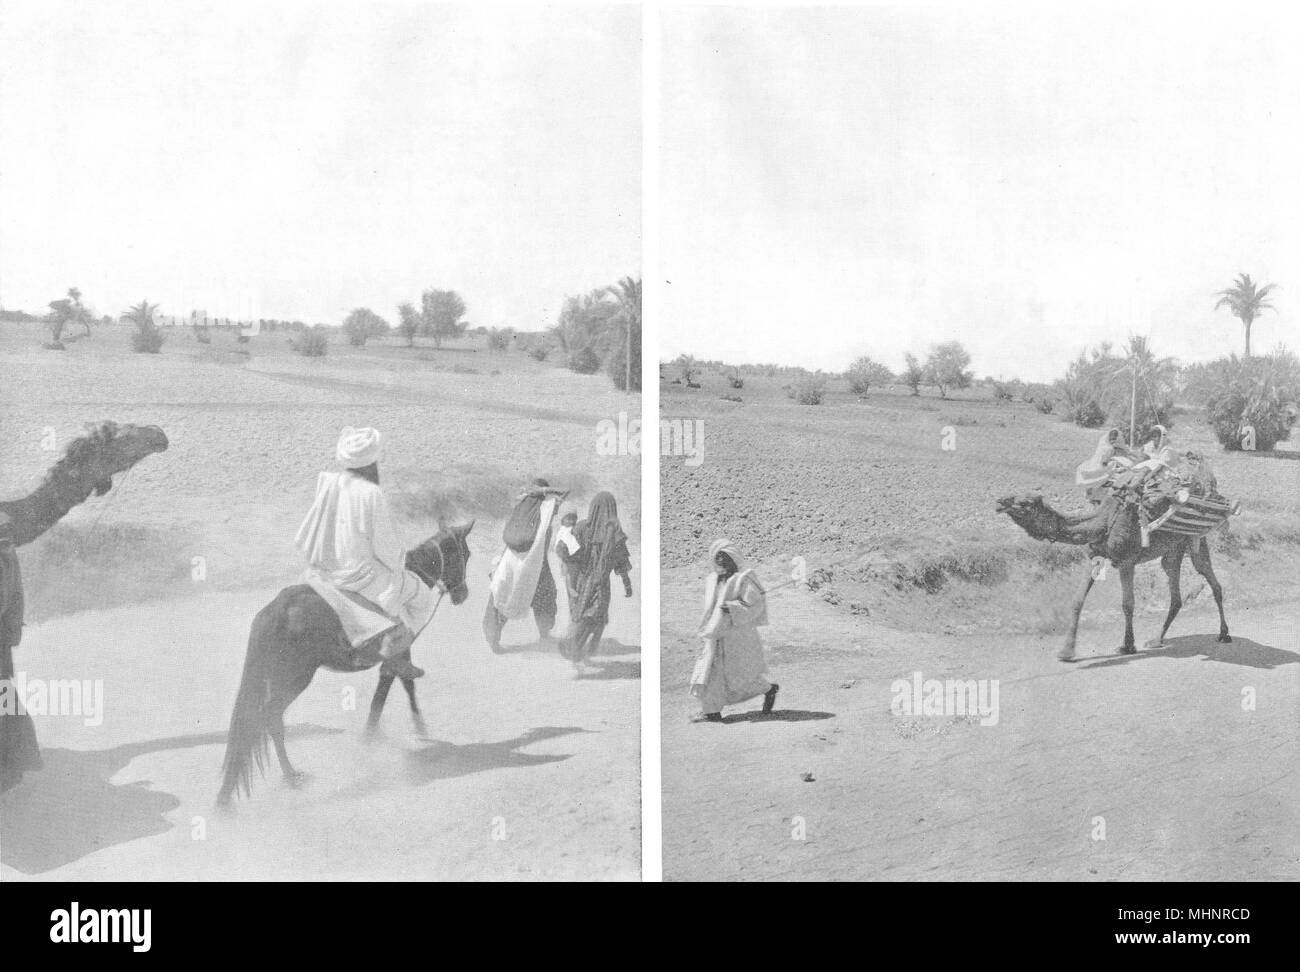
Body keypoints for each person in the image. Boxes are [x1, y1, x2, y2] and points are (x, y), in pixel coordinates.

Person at [294, 427, 432, 681]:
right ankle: (396, 659)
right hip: (359, 576)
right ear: (371, 463)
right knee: (421, 595)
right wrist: (400, 563)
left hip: (325, 569)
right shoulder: (371, 493)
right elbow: (386, 549)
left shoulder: (329, 482)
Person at [690, 539, 778, 723]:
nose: (720, 560)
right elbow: (710, 608)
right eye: (718, 556)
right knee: (711, 671)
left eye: (724, 557)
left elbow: (756, 606)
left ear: (733, 559)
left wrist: (733, 607)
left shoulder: (743, 579)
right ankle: (712, 712)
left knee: (739, 676)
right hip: (715, 634)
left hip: (736, 636)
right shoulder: (712, 580)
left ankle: (769, 689)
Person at [483, 478, 564, 652]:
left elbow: (507, 541)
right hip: (534, 564)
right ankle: (544, 632)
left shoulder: (521, 511)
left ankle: (493, 638)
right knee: (544, 596)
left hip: (511, 562)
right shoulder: (542, 515)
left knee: (503, 596)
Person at [559, 492, 632, 667]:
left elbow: (565, 549)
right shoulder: (614, 532)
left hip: (582, 581)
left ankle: (581, 649)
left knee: (584, 614)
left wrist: (570, 581)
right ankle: (577, 647)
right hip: (601, 584)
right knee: (595, 615)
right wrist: (627, 584)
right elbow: (622, 561)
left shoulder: (582, 527)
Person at [554, 506, 582, 619]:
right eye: (568, 518)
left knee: (575, 584)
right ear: (562, 519)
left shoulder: (574, 530)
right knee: (571, 585)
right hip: (569, 562)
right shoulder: (564, 531)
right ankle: (573, 615)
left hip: (573, 562)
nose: (571, 521)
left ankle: (575, 614)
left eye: (573, 518)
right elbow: (559, 548)